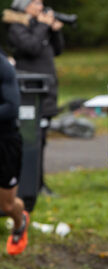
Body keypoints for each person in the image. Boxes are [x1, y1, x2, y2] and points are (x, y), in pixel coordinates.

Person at [6, 0, 64, 196]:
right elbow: (30, 47)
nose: (41, 7)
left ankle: (38, 184)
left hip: (46, 92)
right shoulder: (17, 27)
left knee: (42, 140)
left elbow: (58, 50)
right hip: (29, 93)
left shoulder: (39, 27)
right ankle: (25, 184)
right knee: (29, 140)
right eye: (36, 3)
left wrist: (54, 31)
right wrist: (43, 26)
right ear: (24, 6)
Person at [0, 51, 30, 256]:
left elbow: (12, 107)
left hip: (5, 142)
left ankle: (20, 222)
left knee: (7, 205)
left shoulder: (3, 66)